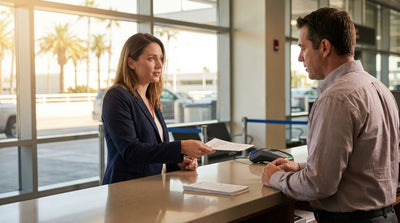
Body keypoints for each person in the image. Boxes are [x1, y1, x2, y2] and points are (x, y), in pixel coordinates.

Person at [261, 7, 399, 223]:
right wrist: (301, 167)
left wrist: (275, 178)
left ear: (324, 47)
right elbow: (362, 165)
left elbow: (320, 184)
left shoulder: (337, 98)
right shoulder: (379, 88)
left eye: (303, 48)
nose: (299, 58)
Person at [101, 33, 215, 185]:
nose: (159, 65)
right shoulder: (117, 96)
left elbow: (153, 151)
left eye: (160, 58)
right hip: (127, 192)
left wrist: (177, 163)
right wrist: (180, 147)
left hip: (155, 189)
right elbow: (131, 151)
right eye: (151, 58)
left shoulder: (151, 99)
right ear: (131, 63)